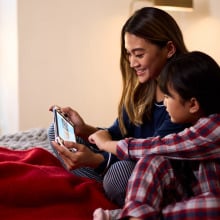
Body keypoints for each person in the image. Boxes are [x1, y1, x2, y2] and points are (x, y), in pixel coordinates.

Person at [48, 7, 189, 206]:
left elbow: (154, 156)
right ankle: (102, 183)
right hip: (124, 161)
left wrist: (97, 160)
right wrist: (85, 129)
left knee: (119, 174)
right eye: (128, 54)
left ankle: (107, 184)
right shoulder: (141, 90)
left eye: (139, 54)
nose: (132, 63)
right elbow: (118, 134)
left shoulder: (182, 98)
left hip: (157, 175)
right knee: (57, 131)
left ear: (169, 49)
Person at [90, 51, 220, 220]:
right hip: (186, 197)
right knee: (152, 160)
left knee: (213, 205)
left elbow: (158, 145)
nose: (164, 102)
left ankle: (135, 216)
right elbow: (148, 149)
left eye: (167, 96)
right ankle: (136, 215)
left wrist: (106, 145)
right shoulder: (184, 120)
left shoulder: (213, 128)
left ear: (193, 104)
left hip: (210, 202)